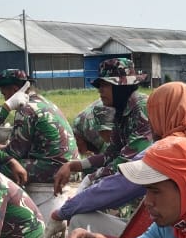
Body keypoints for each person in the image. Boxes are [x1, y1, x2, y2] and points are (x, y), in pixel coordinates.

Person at [53, 81, 186, 238]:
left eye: (153, 114)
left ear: (161, 114)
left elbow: (117, 187)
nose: (150, 121)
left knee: (80, 219)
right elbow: (111, 154)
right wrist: (79, 166)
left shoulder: (164, 150)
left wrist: (62, 212)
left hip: (172, 235)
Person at [0, 69, 77, 237]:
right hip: (65, 166)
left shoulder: (25, 110)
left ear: (14, 89)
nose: (3, 95)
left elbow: (14, 153)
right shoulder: (45, 102)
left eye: (4, 91)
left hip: (50, 168)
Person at [52, 58, 152, 195]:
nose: (100, 91)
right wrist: (74, 165)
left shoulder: (142, 109)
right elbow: (111, 154)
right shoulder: (121, 111)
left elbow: (126, 160)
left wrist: (92, 178)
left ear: (120, 86)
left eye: (105, 85)